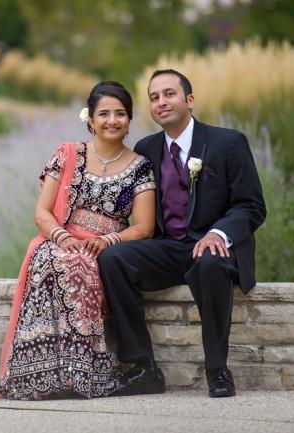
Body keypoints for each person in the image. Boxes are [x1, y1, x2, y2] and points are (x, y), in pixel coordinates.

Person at [99, 69, 266, 398]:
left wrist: (219, 233)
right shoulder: (147, 149)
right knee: (113, 258)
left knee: (209, 262)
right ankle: (144, 368)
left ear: (189, 100)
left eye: (169, 94)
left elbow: (252, 206)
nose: (161, 102)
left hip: (214, 249)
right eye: (154, 97)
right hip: (168, 249)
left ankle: (218, 370)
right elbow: (122, 199)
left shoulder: (228, 143)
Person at [0, 81, 156, 400]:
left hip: (105, 246)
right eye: (105, 114)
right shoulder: (68, 154)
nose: (112, 120)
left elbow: (143, 227)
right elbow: (42, 212)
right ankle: (40, 372)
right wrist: (62, 236)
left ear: (129, 119)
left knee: (82, 263)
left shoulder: (140, 167)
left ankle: (81, 374)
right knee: (55, 258)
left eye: (120, 114)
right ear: (91, 119)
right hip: (60, 238)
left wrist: (109, 240)